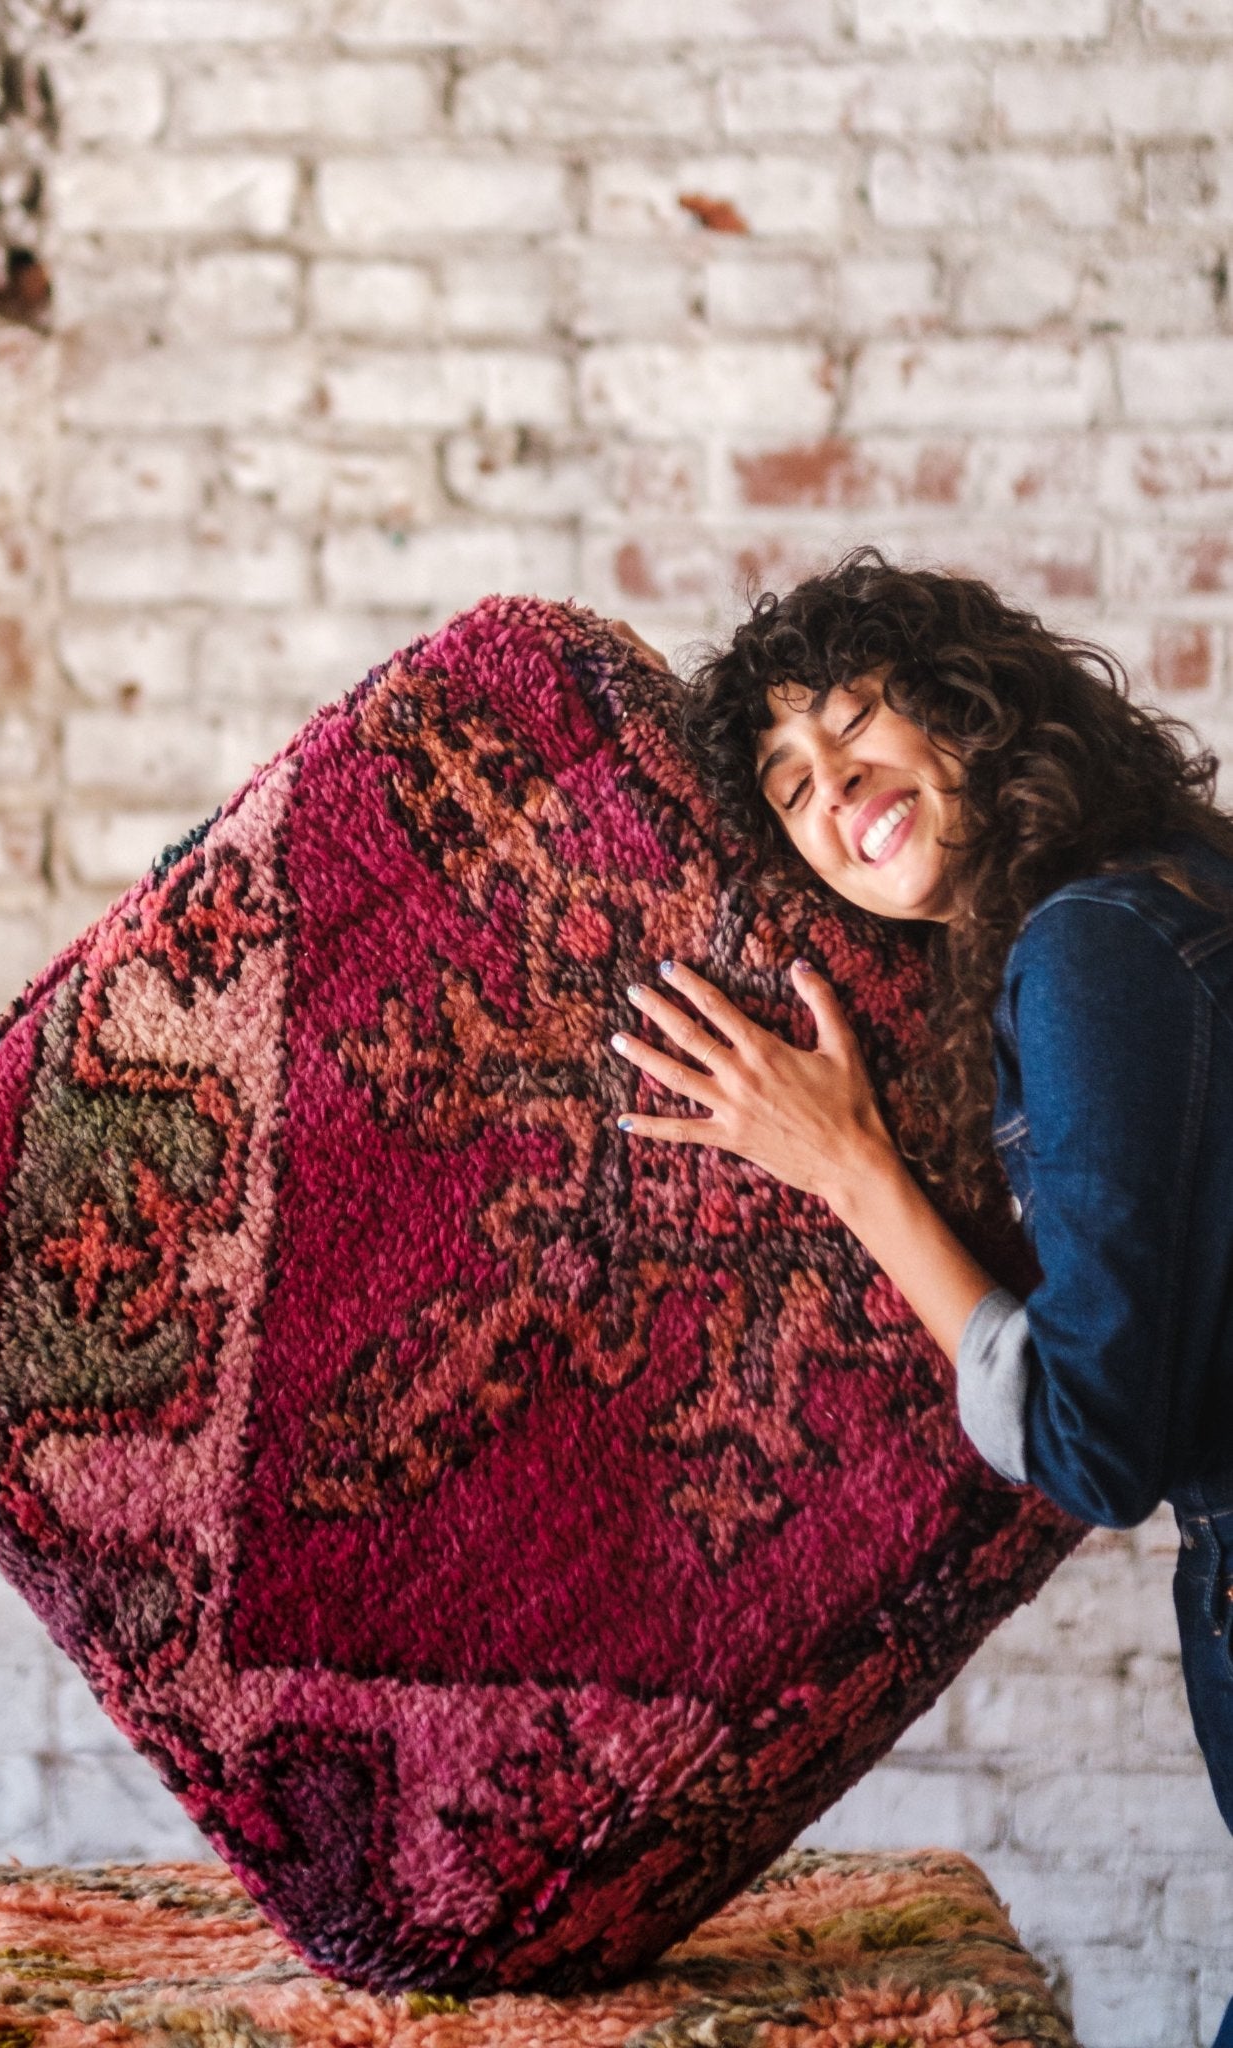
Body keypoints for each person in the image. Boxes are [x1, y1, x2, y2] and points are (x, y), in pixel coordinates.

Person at [607, 548, 1233, 2048]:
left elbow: (1092, 1447)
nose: (832, 787)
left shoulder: (1088, 948)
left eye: (854, 721)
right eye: (788, 782)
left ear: (968, 712)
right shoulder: (1178, 885)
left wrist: (849, 1166)